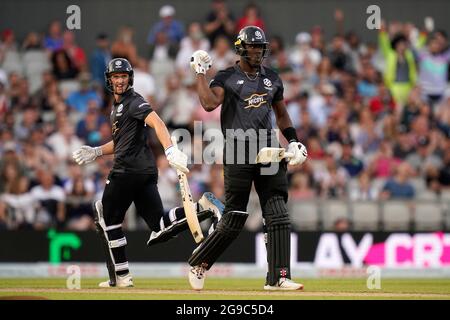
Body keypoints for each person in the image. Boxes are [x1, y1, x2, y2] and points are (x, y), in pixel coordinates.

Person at [72, 58, 223, 288]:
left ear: (129, 78)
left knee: (105, 214)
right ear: (109, 80)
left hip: (127, 170)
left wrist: (170, 150)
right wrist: (96, 151)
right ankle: (202, 207)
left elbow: (159, 123)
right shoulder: (117, 108)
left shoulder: (134, 101)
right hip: (144, 171)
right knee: (159, 225)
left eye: (123, 76)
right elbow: (119, 142)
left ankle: (121, 276)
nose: (120, 81)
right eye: (116, 77)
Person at [187, 26, 308, 291]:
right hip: (239, 151)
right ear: (241, 48)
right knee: (235, 217)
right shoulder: (227, 76)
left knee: (277, 212)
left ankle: (278, 277)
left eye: (260, 47)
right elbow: (208, 104)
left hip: (269, 150)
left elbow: (282, 114)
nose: (256, 51)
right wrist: (199, 74)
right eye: (251, 47)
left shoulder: (273, 79)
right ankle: (200, 261)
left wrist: (295, 140)